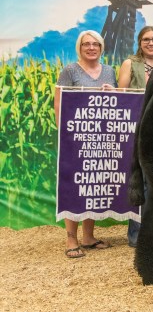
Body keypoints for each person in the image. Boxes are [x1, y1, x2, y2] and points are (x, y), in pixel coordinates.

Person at [54, 30, 116, 258]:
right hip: (75, 138)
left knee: (92, 184)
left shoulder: (109, 71)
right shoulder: (70, 70)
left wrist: (114, 91)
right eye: (86, 44)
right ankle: (71, 238)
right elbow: (59, 102)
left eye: (95, 44)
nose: (91, 48)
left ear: (101, 47)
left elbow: (117, 102)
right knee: (74, 186)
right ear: (79, 48)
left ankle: (88, 237)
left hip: (101, 138)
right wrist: (64, 133)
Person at [118, 25, 153, 247]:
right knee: (140, 183)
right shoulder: (130, 64)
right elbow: (122, 97)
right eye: (146, 39)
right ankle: (136, 235)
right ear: (139, 43)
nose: (151, 43)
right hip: (137, 131)